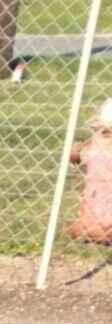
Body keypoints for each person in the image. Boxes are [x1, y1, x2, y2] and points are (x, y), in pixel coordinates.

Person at [68, 97, 112, 245]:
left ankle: (94, 229)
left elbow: (74, 156)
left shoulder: (94, 144)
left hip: (89, 223)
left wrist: (77, 150)